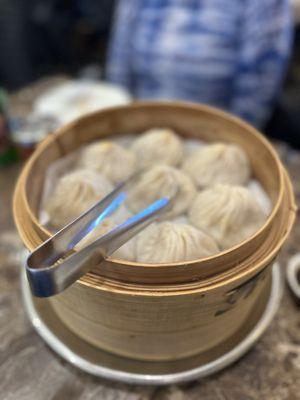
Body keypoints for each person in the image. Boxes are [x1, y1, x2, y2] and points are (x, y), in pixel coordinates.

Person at [106, 0, 292, 127]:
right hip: (140, 124)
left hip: (215, 134)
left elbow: (259, 86)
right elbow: (119, 61)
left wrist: (229, 141)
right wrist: (123, 122)